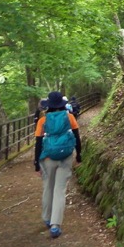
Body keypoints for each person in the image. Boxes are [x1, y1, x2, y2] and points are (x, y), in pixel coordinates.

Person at [34, 91, 81, 239]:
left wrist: (36, 162)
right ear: (61, 103)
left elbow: (38, 143)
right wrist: (79, 154)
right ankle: (55, 225)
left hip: (48, 157)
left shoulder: (43, 121)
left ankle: (47, 218)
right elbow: (77, 137)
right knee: (59, 190)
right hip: (66, 156)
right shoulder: (70, 117)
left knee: (48, 187)